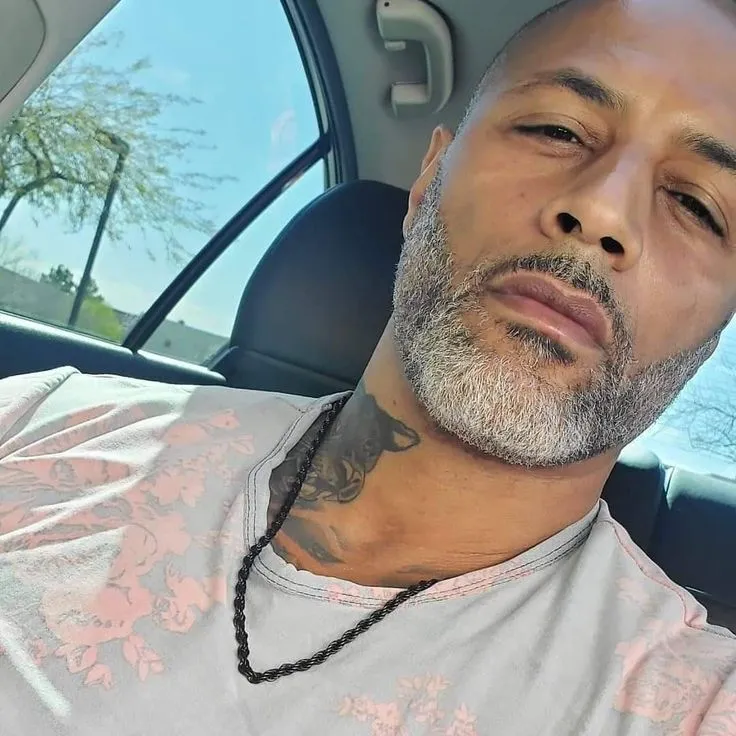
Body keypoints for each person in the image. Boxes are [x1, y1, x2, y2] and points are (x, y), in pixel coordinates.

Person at [2, 0, 736, 732]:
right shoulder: (43, 421)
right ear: (428, 181)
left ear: (717, 325)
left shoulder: (696, 704)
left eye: (698, 205)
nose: (603, 212)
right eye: (557, 130)